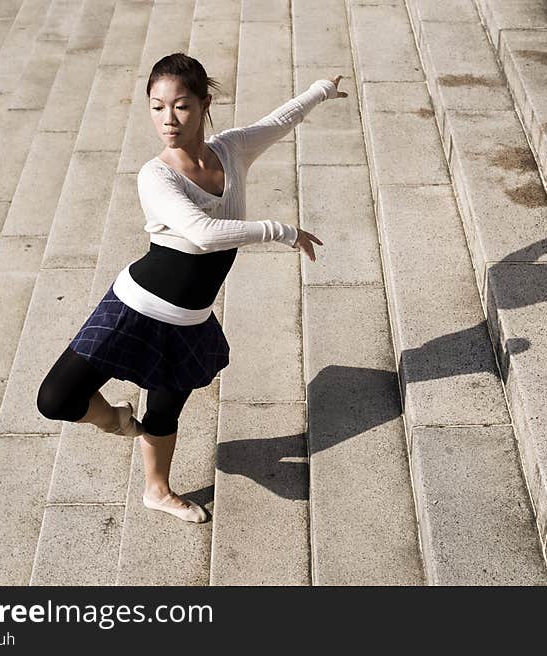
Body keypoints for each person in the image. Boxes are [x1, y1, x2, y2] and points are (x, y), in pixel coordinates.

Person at [36, 53, 347, 522]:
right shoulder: (155, 174)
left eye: (180, 106)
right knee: (56, 400)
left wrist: (321, 89)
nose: (168, 119)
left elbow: (279, 121)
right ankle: (117, 421)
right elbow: (201, 233)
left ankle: (156, 491)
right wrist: (278, 230)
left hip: (190, 319)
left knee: (164, 412)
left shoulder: (232, 149)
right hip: (135, 306)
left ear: (204, 104)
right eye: (157, 107)